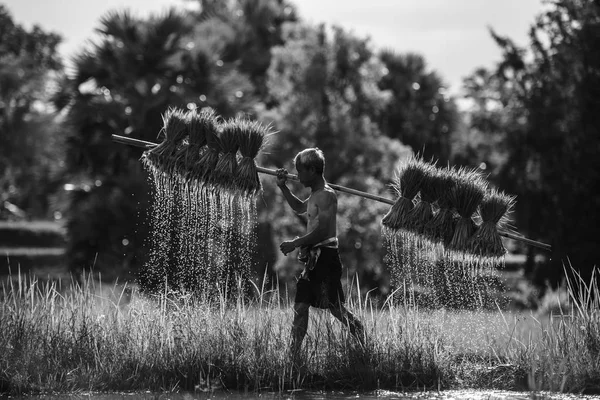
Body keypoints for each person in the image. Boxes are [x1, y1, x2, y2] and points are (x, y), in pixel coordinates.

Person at [276, 148, 365, 358]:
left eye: (300, 170)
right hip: (313, 261)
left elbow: (324, 231)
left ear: (313, 170)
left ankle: (361, 340)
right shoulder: (316, 194)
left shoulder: (326, 195)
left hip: (326, 258)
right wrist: (283, 187)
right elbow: (299, 208)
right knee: (301, 305)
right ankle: (294, 358)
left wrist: (295, 243)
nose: (297, 175)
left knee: (335, 308)